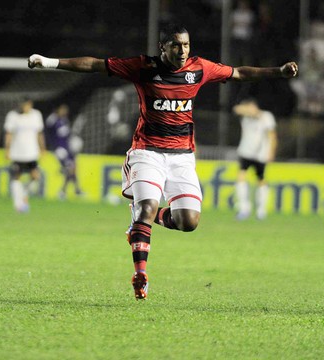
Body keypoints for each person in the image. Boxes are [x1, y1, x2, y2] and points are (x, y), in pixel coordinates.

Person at [28, 23, 298, 300]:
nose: (182, 51)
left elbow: (239, 72)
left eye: (186, 45)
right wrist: (49, 62)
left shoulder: (199, 69)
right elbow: (95, 65)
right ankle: (140, 275)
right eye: (176, 45)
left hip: (182, 158)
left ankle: (140, 221)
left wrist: (277, 72)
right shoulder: (144, 67)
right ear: (163, 47)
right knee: (147, 206)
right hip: (148, 152)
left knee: (188, 221)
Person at [232, 98, 277, 220]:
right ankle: (244, 208)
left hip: (260, 154)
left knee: (261, 180)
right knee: (241, 177)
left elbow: (272, 135)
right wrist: (246, 110)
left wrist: (271, 152)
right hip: (245, 152)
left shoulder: (266, 116)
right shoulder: (246, 116)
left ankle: (261, 210)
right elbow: (236, 109)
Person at [4, 97, 46, 213]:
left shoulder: (36, 115)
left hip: (32, 152)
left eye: (27, 105)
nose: (25, 107)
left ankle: (23, 194)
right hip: (17, 153)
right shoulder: (13, 116)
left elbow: (39, 133)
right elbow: (8, 134)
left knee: (35, 177)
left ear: (30, 104)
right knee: (16, 177)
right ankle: (18, 204)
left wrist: (42, 148)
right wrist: (7, 150)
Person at [44, 103, 83, 199]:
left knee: (72, 168)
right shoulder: (53, 119)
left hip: (67, 148)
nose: (64, 112)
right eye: (62, 109)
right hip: (59, 149)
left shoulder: (65, 121)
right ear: (58, 109)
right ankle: (69, 190)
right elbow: (47, 131)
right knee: (70, 168)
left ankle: (68, 190)